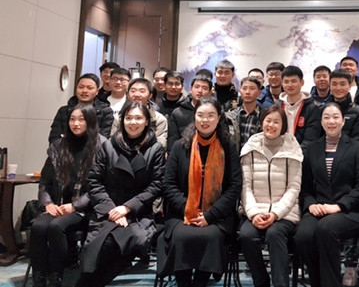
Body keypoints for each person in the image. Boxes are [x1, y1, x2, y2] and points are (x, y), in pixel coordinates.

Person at [75, 102, 165, 287]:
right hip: (107, 210)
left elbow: (157, 185)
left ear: (147, 121)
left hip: (138, 213)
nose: (133, 122)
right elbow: (94, 181)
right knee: (99, 247)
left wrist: (127, 208)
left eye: (138, 118)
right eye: (128, 118)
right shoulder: (108, 146)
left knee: (117, 244)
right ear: (122, 120)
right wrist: (112, 210)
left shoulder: (155, 149)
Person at [158, 97, 242, 287]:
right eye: (201, 115)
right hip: (182, 213)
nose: (205, 120)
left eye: (211, 115)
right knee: (182, 236)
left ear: (218, 118)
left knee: (210, 236)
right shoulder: (180, 146)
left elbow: (234, 186)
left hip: (217, 215)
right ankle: (183, 283)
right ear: (194, 117)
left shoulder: (228, 147)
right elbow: (168, 184)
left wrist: (210, 215)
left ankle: (200, 283)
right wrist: (189, 209)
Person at [294, 103, 359, 287]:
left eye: (336, 117)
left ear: (343, 121)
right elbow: (306, 186)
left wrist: (339, 206)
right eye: (326, 117)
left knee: (326, 229)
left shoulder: (355, 147)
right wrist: (311, 204)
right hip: (319, 208)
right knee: (302, 236)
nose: (331, 121)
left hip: (349, 211)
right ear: (321, 122)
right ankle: (317, 282)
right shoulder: (313, 148)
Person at [30, 104, 105, 287]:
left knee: (56, 226)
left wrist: (75, 206)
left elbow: (100, 187)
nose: (76, 123)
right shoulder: (58, 146)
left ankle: (56, 276)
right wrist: (47, 204)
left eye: (81, 119)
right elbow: (45, 182)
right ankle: (39, 276)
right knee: (38, 226)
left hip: (85, 209)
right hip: (58, 205)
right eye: (72, 119)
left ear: (90, 121)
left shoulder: (102, 146)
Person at [239, 106, 303, 287]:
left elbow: (294, 187)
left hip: (285, 213)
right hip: (255, 211)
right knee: (246, 236)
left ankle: (281, 284)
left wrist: (275, 214)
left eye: (276, 122)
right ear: (262, 122)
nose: (271, 125)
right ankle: (261, 282)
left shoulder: (292, 147)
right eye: (268, 120)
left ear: (283, 126)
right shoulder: (251, 147)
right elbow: (245, 186)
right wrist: (253, 213)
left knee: (275, 234)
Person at [48, 73, 113, 144]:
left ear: (97, 91)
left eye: (89, 88)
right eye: (81, 87)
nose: (84, 90)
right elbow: (54, 138)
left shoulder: (106, 111)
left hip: (93, 150)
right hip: (64, 149)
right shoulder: (64, 111)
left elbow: (102, 139)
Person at [110, 78, 168, 148]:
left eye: (142, 91)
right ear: (128, 95)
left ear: (150, 95)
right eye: (133, 91)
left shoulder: (159, 119)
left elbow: (160, 145)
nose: (137, 94)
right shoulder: (119, 118)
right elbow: (112, 142)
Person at [278, 65, 321, 148]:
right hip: (279, 152)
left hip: (301, 153)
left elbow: (310, 139)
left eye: (293, 81)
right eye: (286, 82)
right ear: (282, 83)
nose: (290, 85)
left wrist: (296, 154)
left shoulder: (312, 109)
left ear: (302, 83)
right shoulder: (277, 107)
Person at [167, 75, 213, 151]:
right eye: (197, 87)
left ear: (210, 92)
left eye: (204, 88)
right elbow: (172, 139)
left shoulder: (216, 113)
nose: (200, 90)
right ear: (191, 89)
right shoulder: (178, 112)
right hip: (183, 152)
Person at [328, 69, 359, 147]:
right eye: (334, 84)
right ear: (329, 86)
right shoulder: (322, 110)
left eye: (342, 84)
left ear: (350, 86)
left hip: (350, 153)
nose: (338, 88)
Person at [226, 76, 264, 149]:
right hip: (235, 155)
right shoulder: (230, 116)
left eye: (252, 89)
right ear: (240, 91)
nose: (247, 92)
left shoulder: (265, 115)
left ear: (259, 93)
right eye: (244, 88)